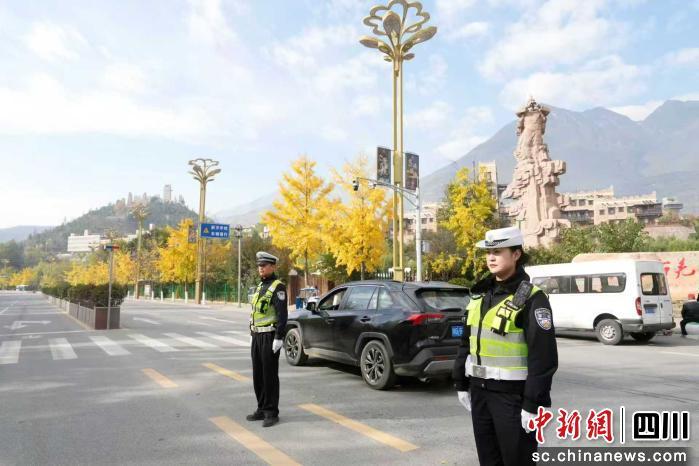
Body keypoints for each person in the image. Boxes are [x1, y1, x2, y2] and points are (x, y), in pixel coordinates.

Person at [452, 227, 558, 466]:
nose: (491, 257)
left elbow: (543, 356)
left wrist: (533, 403)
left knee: (517, 460)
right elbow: (467, 342)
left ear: (516, 254)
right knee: (488, 460)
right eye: (488, 252)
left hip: (513, 398)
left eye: (498, 252)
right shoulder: (481, 295)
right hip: (480, 393)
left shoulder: (531, 297)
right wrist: (460, 381)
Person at [246, 251, 288, 428]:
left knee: (269, 375)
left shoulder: (278, 287)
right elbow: (255, 312)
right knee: (258, 375)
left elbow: (282, 315)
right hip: (257, 336)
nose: (260, 268)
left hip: (270, 336)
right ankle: (262, 408)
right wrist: (252, 333)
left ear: (272, 267)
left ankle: (271, 412)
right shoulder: (259, 286)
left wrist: (279, 337)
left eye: (264, 265)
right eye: (259, 266)